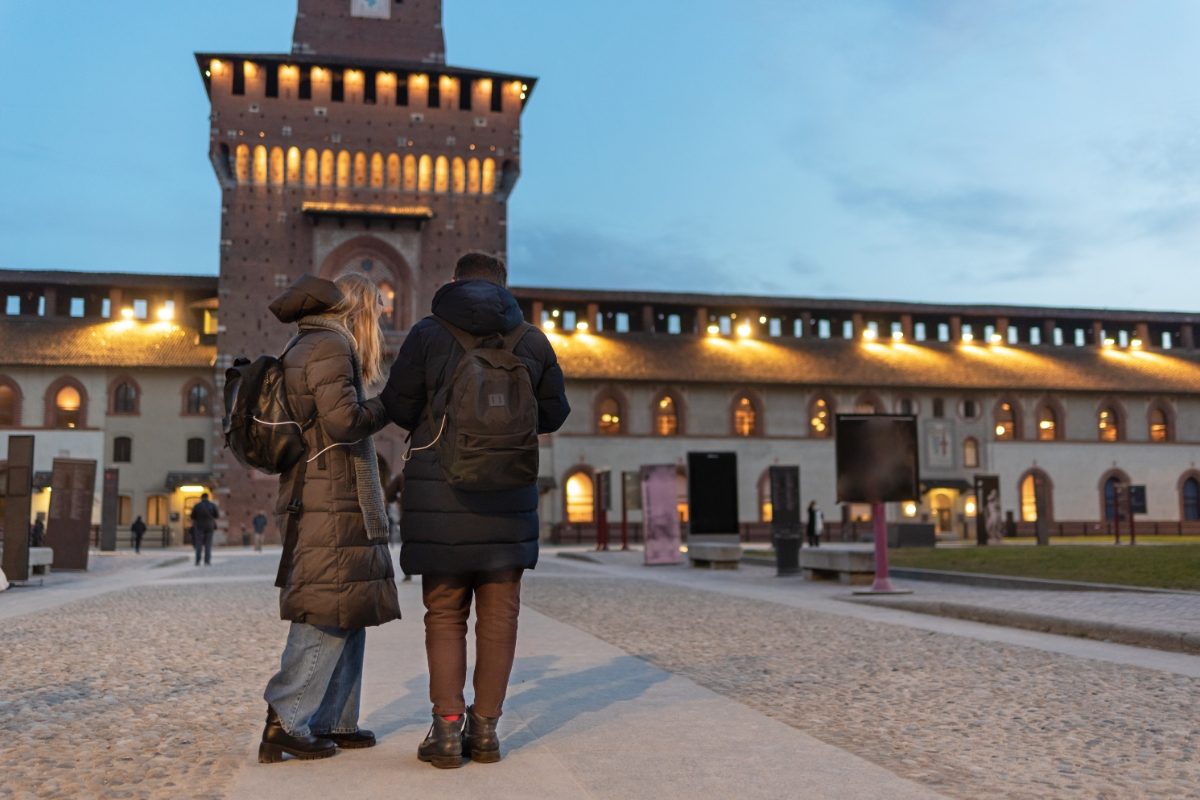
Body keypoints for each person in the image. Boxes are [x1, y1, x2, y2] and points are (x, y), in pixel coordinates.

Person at [381, 252, 569, 768]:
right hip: (508, 498)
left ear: (453, 282)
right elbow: (555, 412)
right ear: (505, 287)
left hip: (439, 494)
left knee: (443, 613)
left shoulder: (426, 333)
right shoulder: (531, 340)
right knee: (500, 615)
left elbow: (397, 406)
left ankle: (445, 731)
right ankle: (485, 732)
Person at [258, 272, 401, 764]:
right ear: (359, 312)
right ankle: (287, 720)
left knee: (349, 604)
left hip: (329, 489)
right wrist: (390, 405)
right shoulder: (330, 346)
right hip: (328, 493)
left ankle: (334, 718)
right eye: (377, 313)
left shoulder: (314, 343)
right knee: (325, 606)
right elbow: (344, 423)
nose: (380, 322)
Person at [190, 494, 220, 566]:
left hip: (199, 526)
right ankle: (207, 561)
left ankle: (197, 561)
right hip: (210, 526)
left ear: (201, 498)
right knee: (208, 544)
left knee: (199, 544)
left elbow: (192, 516)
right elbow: (216, 515)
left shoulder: (197, 506)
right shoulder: (212, 505)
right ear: (207, 497)